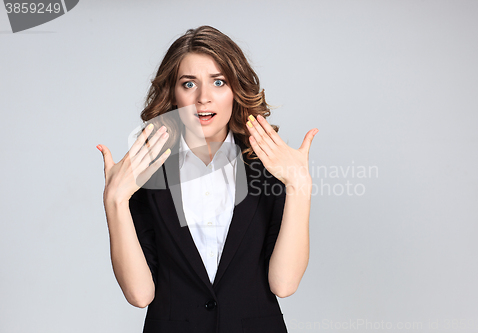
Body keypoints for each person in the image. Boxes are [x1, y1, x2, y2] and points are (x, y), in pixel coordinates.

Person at [97, 26, 318, 333]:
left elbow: (284, 284)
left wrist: (299, 187)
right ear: (173, 95)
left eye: (218, 82)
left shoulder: (270, 168)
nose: (203, 97)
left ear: (235, 89)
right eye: (189, 84)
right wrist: (114, 200)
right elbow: (139, 294)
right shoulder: (144, 176)